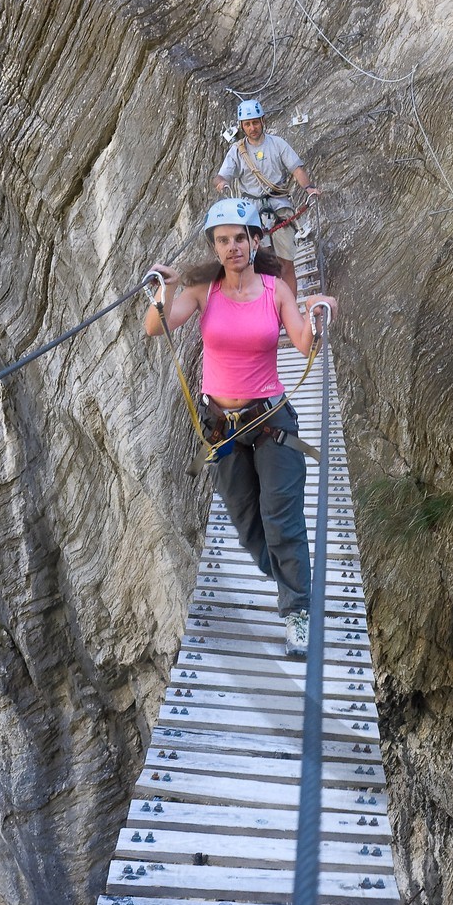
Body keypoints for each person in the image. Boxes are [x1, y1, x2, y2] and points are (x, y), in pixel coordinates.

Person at [144, 197, 337, 658]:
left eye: (239, 238)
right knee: (249, 526)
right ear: (214, 247)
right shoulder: (203, 291)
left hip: (271, 421)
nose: (232, 247)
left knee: (282, 517)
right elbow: (156, 327)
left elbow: (303, 343)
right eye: (222, 240)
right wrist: (165, 289)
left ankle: (297, 610)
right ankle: (292, 578)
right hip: (222, 428)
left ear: (255, 241)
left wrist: (317, 315)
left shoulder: (275, 290)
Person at [213, 99, 321, 233]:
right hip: (250, 208)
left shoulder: (278, 143)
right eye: (247, 124)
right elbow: (220, 176)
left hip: (279, 203)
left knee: (290, 236)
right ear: (241, 126)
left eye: (255, 122)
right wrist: (222, 183)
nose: (252, 128)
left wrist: (309, 188)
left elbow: (297, 170)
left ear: (262, 121)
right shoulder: (237, 151)